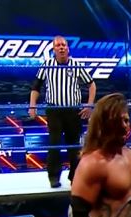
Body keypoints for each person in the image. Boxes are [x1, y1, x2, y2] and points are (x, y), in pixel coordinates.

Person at [30, 35, 96, 188]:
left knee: (74, 146)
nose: (61, 48)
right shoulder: (47, 65)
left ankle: (75, 177)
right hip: (54, 110)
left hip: (73, 111)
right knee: (54, 144)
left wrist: (89, 105)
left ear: (68, 48)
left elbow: (92, 85)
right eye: (58, 45)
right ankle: (54, 177)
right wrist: (32, 105)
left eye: (63, 45)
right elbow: (36, 86)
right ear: (53, 49)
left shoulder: (76, 65)